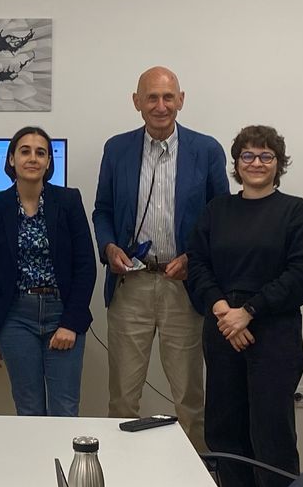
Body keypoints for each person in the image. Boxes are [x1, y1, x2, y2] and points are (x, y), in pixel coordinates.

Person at [184, 127, 303, 487]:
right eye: (248, 155)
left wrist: (248, 312)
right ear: (236, 163)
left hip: (274, 334)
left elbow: (301, 276)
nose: (256, 163)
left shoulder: (296, 211)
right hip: (222, 328)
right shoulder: (217, 210)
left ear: (279, 163)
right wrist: (224, 311)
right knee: (223, 431)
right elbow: (198, 264)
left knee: (271, 433)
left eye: (265, 156)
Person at [92, 66, 229, 436]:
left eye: (168, 97)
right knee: (122, 399)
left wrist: (194, 259)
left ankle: (196, 469)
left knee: (189, 400)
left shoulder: (206, 150)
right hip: (130, 286)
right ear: (136, 102)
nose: (161, 105)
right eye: (151, 97)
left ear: (181, 100)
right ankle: (123, 469)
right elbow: (102, 210)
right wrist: (108, 247)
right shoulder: (117, 149)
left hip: (183, 286)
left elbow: (222, 217)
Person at [0, 127, 97, 416]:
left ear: (48, 162)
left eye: (41, 152)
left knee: (64, 408)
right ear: (11, 159)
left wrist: (70, 323)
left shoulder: (68, 201)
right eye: (25, 151)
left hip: (61, 313)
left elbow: (86, 267)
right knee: (28, 409)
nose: (33, 158)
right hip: (16, 317)